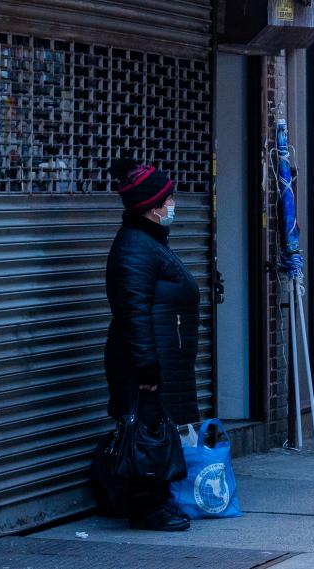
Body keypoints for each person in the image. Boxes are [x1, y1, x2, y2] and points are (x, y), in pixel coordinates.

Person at [105, 159, 199, 532]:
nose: (174, 203)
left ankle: (156, 502)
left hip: (155, 358)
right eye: (169, 198)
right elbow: (133, 312)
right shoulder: (134, 249)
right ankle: (146, 507)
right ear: (152, 205)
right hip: (141, 364)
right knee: (145, 432)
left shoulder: (148, 242)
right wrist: (146, 367)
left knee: (154, 428)